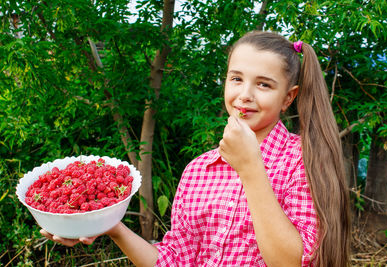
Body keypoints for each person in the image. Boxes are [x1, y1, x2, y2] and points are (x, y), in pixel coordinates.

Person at [41, 31, 350, 267]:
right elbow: (174, 260)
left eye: (264, 84)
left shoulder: (303, 161)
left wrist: (251, 169)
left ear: (288, 97)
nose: (245, 94)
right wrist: (111, 226)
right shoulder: (198, 171)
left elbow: (291, 262)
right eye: (236, 79)